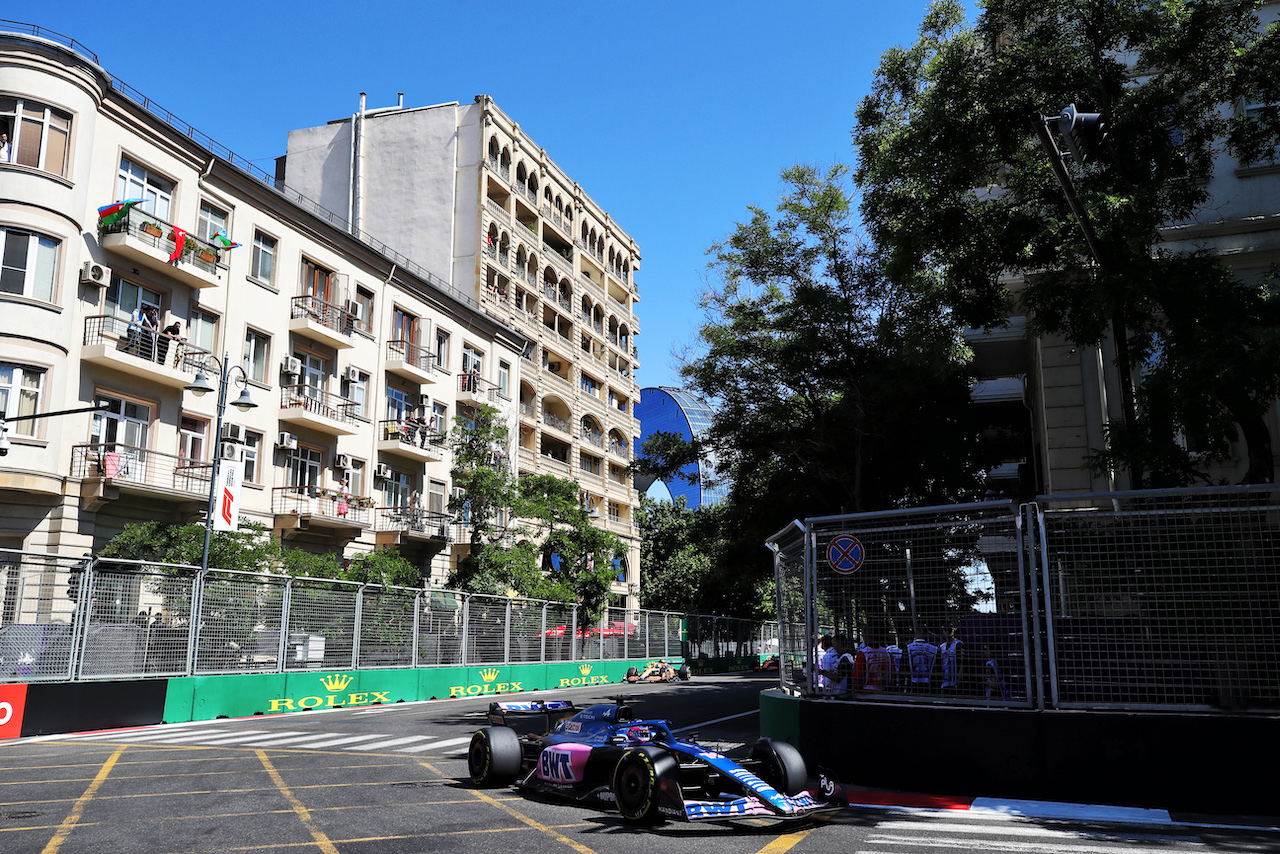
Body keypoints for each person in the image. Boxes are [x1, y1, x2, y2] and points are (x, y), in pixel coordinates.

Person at [939, 626, 965, 693]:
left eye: (950, 630)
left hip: (955, 681)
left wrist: (959, 679)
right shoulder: (942, 646)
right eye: (946, 630)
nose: (948, 632)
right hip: (945, 682)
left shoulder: (959, 644)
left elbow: (962, 663)